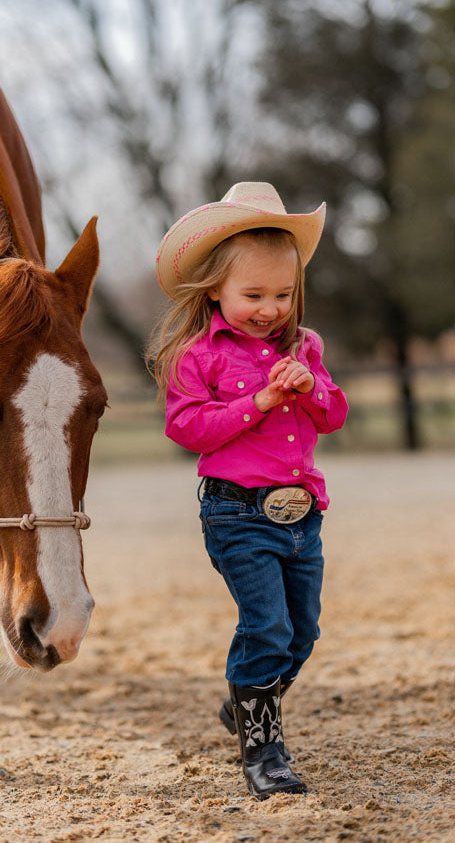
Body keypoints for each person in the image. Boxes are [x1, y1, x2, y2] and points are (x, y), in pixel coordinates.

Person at [150, 182, 348, 800]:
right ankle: (264, 750)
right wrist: (259, 401)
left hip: (301, 514)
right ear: (215, 288)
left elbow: (333, 415)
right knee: (265, 625)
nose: (269, 308)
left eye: (282, 295)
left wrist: (308, 388)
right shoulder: (196, 356)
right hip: (236, 511)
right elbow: (188, 428)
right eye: (253, 295)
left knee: (302, 631)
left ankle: (245, 702)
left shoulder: (305, 347)